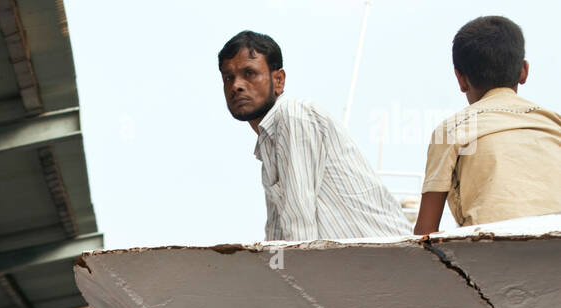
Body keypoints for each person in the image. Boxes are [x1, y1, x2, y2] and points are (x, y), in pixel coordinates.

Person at [219, 29, 411, 242]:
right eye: (229, 77)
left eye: (249, 73)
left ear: (279, 80)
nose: (236, 86)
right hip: (352, 265)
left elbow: (299, 224)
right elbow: (277, 235)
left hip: (389, 260)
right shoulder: (268, 144)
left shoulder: (292, 114)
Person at [415, 15, 561, 234]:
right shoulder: (554, 123)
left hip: (491, 249)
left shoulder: (451, 129)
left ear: (461, 79)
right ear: (524, 71)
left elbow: (425, 231)